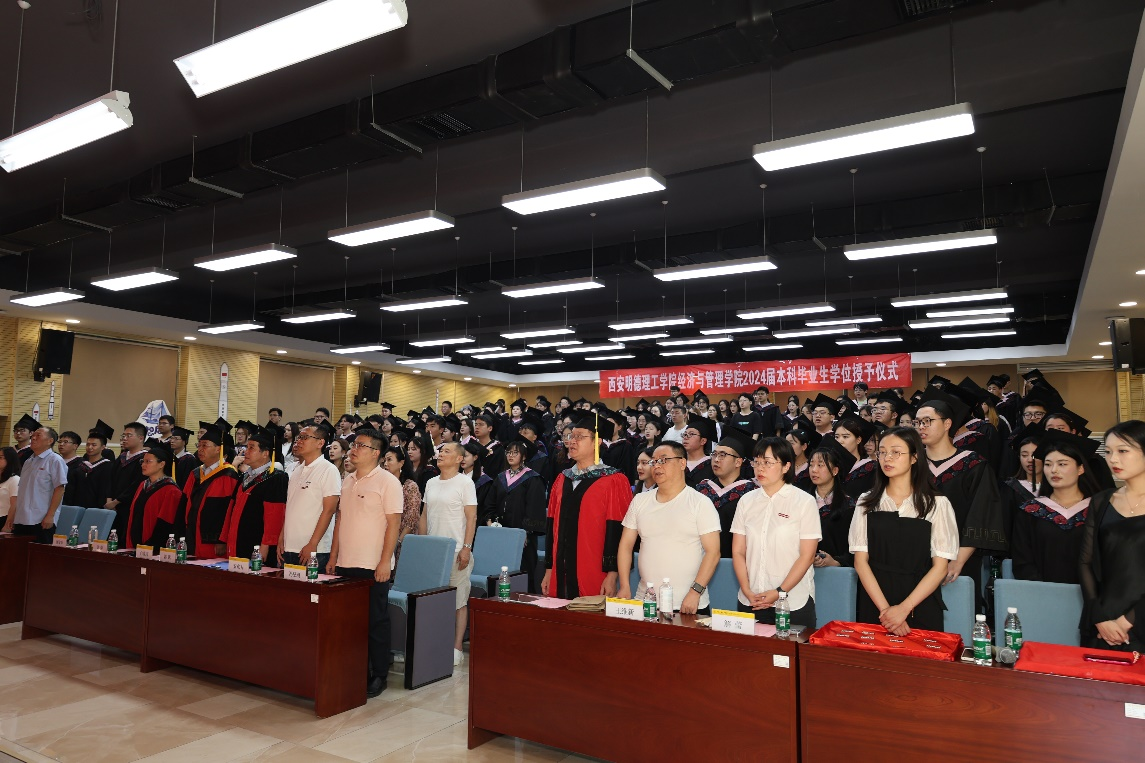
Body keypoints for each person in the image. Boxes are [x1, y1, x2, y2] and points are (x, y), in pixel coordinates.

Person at [849, 427, 960, 634]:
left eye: (896, 452)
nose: (887, 458)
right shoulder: (867, 501)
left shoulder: (937, 504)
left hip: (920, 601)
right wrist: (886, 612)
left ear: (914, 457)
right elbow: (860, 562)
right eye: (882, 452)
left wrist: (904, 609)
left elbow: (940, 567)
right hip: (875, 601)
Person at [916, 390, 1007, 611]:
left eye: (927, 421)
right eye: (917, 422)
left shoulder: (973, 465)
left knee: (958, 615)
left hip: (957, 559)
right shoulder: (912, 465)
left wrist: (958, 560)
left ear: (947, 423)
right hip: (915, 556)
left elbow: (981, 514)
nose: (921, 427)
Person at [331, 428, 404, 698]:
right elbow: (340, 520)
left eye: (360, 445)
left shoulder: (388, 482)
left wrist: (385, 562)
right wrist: (334, 556)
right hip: (345, 561)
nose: (353, 449)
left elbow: (394, 524)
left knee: (375, 621)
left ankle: (379, 674)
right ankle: (355, 669)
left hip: (373, 564)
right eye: (353, 444)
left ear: (375, 453)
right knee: (350, 621)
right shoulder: (347, 480)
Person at [617, 441, 721, 615]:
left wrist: (695, 592)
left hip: (688, 602)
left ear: (682, 463)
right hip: (647, 600)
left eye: (663, 460)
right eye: (654, 461)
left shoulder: (700, 503)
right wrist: (625, 585)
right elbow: (625, 546)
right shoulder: (640, 501)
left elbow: (713, 552)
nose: (657, 466)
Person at [730, 436, 820, 628]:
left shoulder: (804, 502)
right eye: (757, 462)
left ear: (786, 466)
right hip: (751, 599)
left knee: (790, 648)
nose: (760, 468)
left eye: (768, 462)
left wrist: (780, 591)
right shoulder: (746, 501)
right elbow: (738, 551)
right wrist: (746, 590)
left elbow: (807, 555)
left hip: (792, 601)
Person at [542, 413, 633, 599]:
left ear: (596, 442)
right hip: (559, 571)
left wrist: (612, 575)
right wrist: (549, 569)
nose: (572, 441)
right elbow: (552, 527)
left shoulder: (614, 480)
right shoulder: (562, 479)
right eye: (570, 436)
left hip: (594, 570)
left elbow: (617, 531)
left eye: (579, 436)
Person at [1079, 420, 1145, 652]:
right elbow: (1085, 562)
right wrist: (1099, 616)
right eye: (1108, 452)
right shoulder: (1102, 501)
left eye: (1123, 451)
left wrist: (1128, 620)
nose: (1113, 459)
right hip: (1102, 622)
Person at [1011, 432, 1099, 584]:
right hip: (1042, 593)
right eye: (1048, 464)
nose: (1053, 470)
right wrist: (1047, 591)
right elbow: (1022, 562)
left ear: (1080, 469)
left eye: (1062, 464)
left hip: (1090, 594)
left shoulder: (1098, 510)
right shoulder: (1031, 511)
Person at [420, 442, 478, 666]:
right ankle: (434, 642)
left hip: (456, 551)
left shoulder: (465, 483)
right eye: (440, 451)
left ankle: (456, 647)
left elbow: (471, 518)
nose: (441, 454)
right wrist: (423, 545)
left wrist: (466, 547)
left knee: (458, 601)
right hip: (433, 552)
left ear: (459, 459)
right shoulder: (431, 482)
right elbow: (425, 516)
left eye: (447, 451)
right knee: (432, 600)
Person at [219, 428, 288, 562]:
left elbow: (275, 515)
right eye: (247, 447)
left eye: (251, 448)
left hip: (257, 544)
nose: (246, 451)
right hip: (238, 539)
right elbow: (231, 508)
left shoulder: (276, 478)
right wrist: (225, 537)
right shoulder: (245, 476)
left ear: (265, 453)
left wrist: (266, 545)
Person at [491, 439, 548, 593]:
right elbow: (491, 503)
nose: (511, 455)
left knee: (523, 570)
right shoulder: (501, 477)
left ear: (523, 456)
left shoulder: (532, 478)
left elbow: (534, 507)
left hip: (523, 536)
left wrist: (526, 532)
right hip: (502, 532)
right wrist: (491, 521)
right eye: (508, 452)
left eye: (515, 453)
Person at [284, 422, 341, 572]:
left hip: (314, 549)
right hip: (290, 546)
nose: (299, 441)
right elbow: (290, 507)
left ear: (320, 443)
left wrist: (313, 543)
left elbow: (329, 510)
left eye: (304, 437)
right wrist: (282, 538)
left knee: (311, 588)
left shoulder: (328, 469)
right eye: (298, 437)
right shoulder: (296, 470)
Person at [179, 419, 240, 557]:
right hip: (190, 535)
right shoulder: (195, 473)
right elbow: (184, 504)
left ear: (218, 449)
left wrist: (221, 540)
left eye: (205, 445)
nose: (200, 449)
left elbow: (227, 510)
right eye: (199, 445)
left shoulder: (228, 474)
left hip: (211, 541)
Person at [696, 426, 757, 558]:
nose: (716, 459)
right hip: (702, 559)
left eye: (722, 455)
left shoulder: (751, 493)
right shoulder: (702, 489)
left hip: (737, 560)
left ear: (738, 462)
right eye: (714, 454)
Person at [3, 427, 67, 543]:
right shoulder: (28, 461)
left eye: (38, 435)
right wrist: (13, 516)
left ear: (50, 441)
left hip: (41, 519)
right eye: (33, 435)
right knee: (19, 552)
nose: (33, 438)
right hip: (21, 518)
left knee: (39, 553)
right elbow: (21, 491)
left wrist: (50, 515)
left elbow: (60, 489)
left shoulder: (55, 460)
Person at [123, 443, 183, 551]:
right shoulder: (143, 485)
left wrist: (150, 548)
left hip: (155, 549)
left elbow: (165, 525)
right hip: (135, 546)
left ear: (161, 464)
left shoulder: (171, 491)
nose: (143, 465)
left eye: (148, 461)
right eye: (142, 461)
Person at [808, 442, 857, 569]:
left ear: (835, 471)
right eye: (811, 464)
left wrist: (835, 561)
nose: (814, 470)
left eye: (820, 465)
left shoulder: (849, 506)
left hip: (835, 573)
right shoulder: (802, 502)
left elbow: (856, 547)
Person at [107, 422, 149, 535]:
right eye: (123, 435)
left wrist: (116, 501)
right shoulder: (122, 457)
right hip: (112, 506)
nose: (124, 438)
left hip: (131, 506)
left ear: (141, 438)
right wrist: (109, 499)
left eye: (129, 435)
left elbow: (137, 484)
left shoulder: (144, 459)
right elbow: (111, 479)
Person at [381, 446, 421, 566]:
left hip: (402, 541)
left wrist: (398, 541)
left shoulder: (410, 486)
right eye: (384, 460)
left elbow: (412, 518)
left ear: (401, 463)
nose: (386, 464)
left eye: (389, 460)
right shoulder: (381, 485)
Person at [68, 420, 115, 509]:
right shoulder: (81, 465)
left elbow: (108, 488)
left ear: (103, 447)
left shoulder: (107, 466)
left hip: (97, 507)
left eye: (94, 445)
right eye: (88, 444)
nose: (90, 447)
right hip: (77, 507)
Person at [835, 418, 878, 499]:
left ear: (858, 440)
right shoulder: (832, 466)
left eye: (845, 437)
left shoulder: (872, 468)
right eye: (836, 437)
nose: (840, 441)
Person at [461, 440, 497, 526]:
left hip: (475, 523)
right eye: (461, 456)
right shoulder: (455, 477)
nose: (462, 459)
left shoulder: (484, 481)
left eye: (465, 456)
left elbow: (484, 508)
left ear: (475, 457)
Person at [682, 413, 716, 487]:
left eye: (691, 434)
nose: (686, 437)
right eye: (684, 434)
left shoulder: (712, 464)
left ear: (703, 441)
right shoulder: (678, 462)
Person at [0, 448, 20, 525]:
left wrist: (8, 525)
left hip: (4, 518)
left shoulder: (14, 480)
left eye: (1, 457)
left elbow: (15, 505)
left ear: (10, 459)